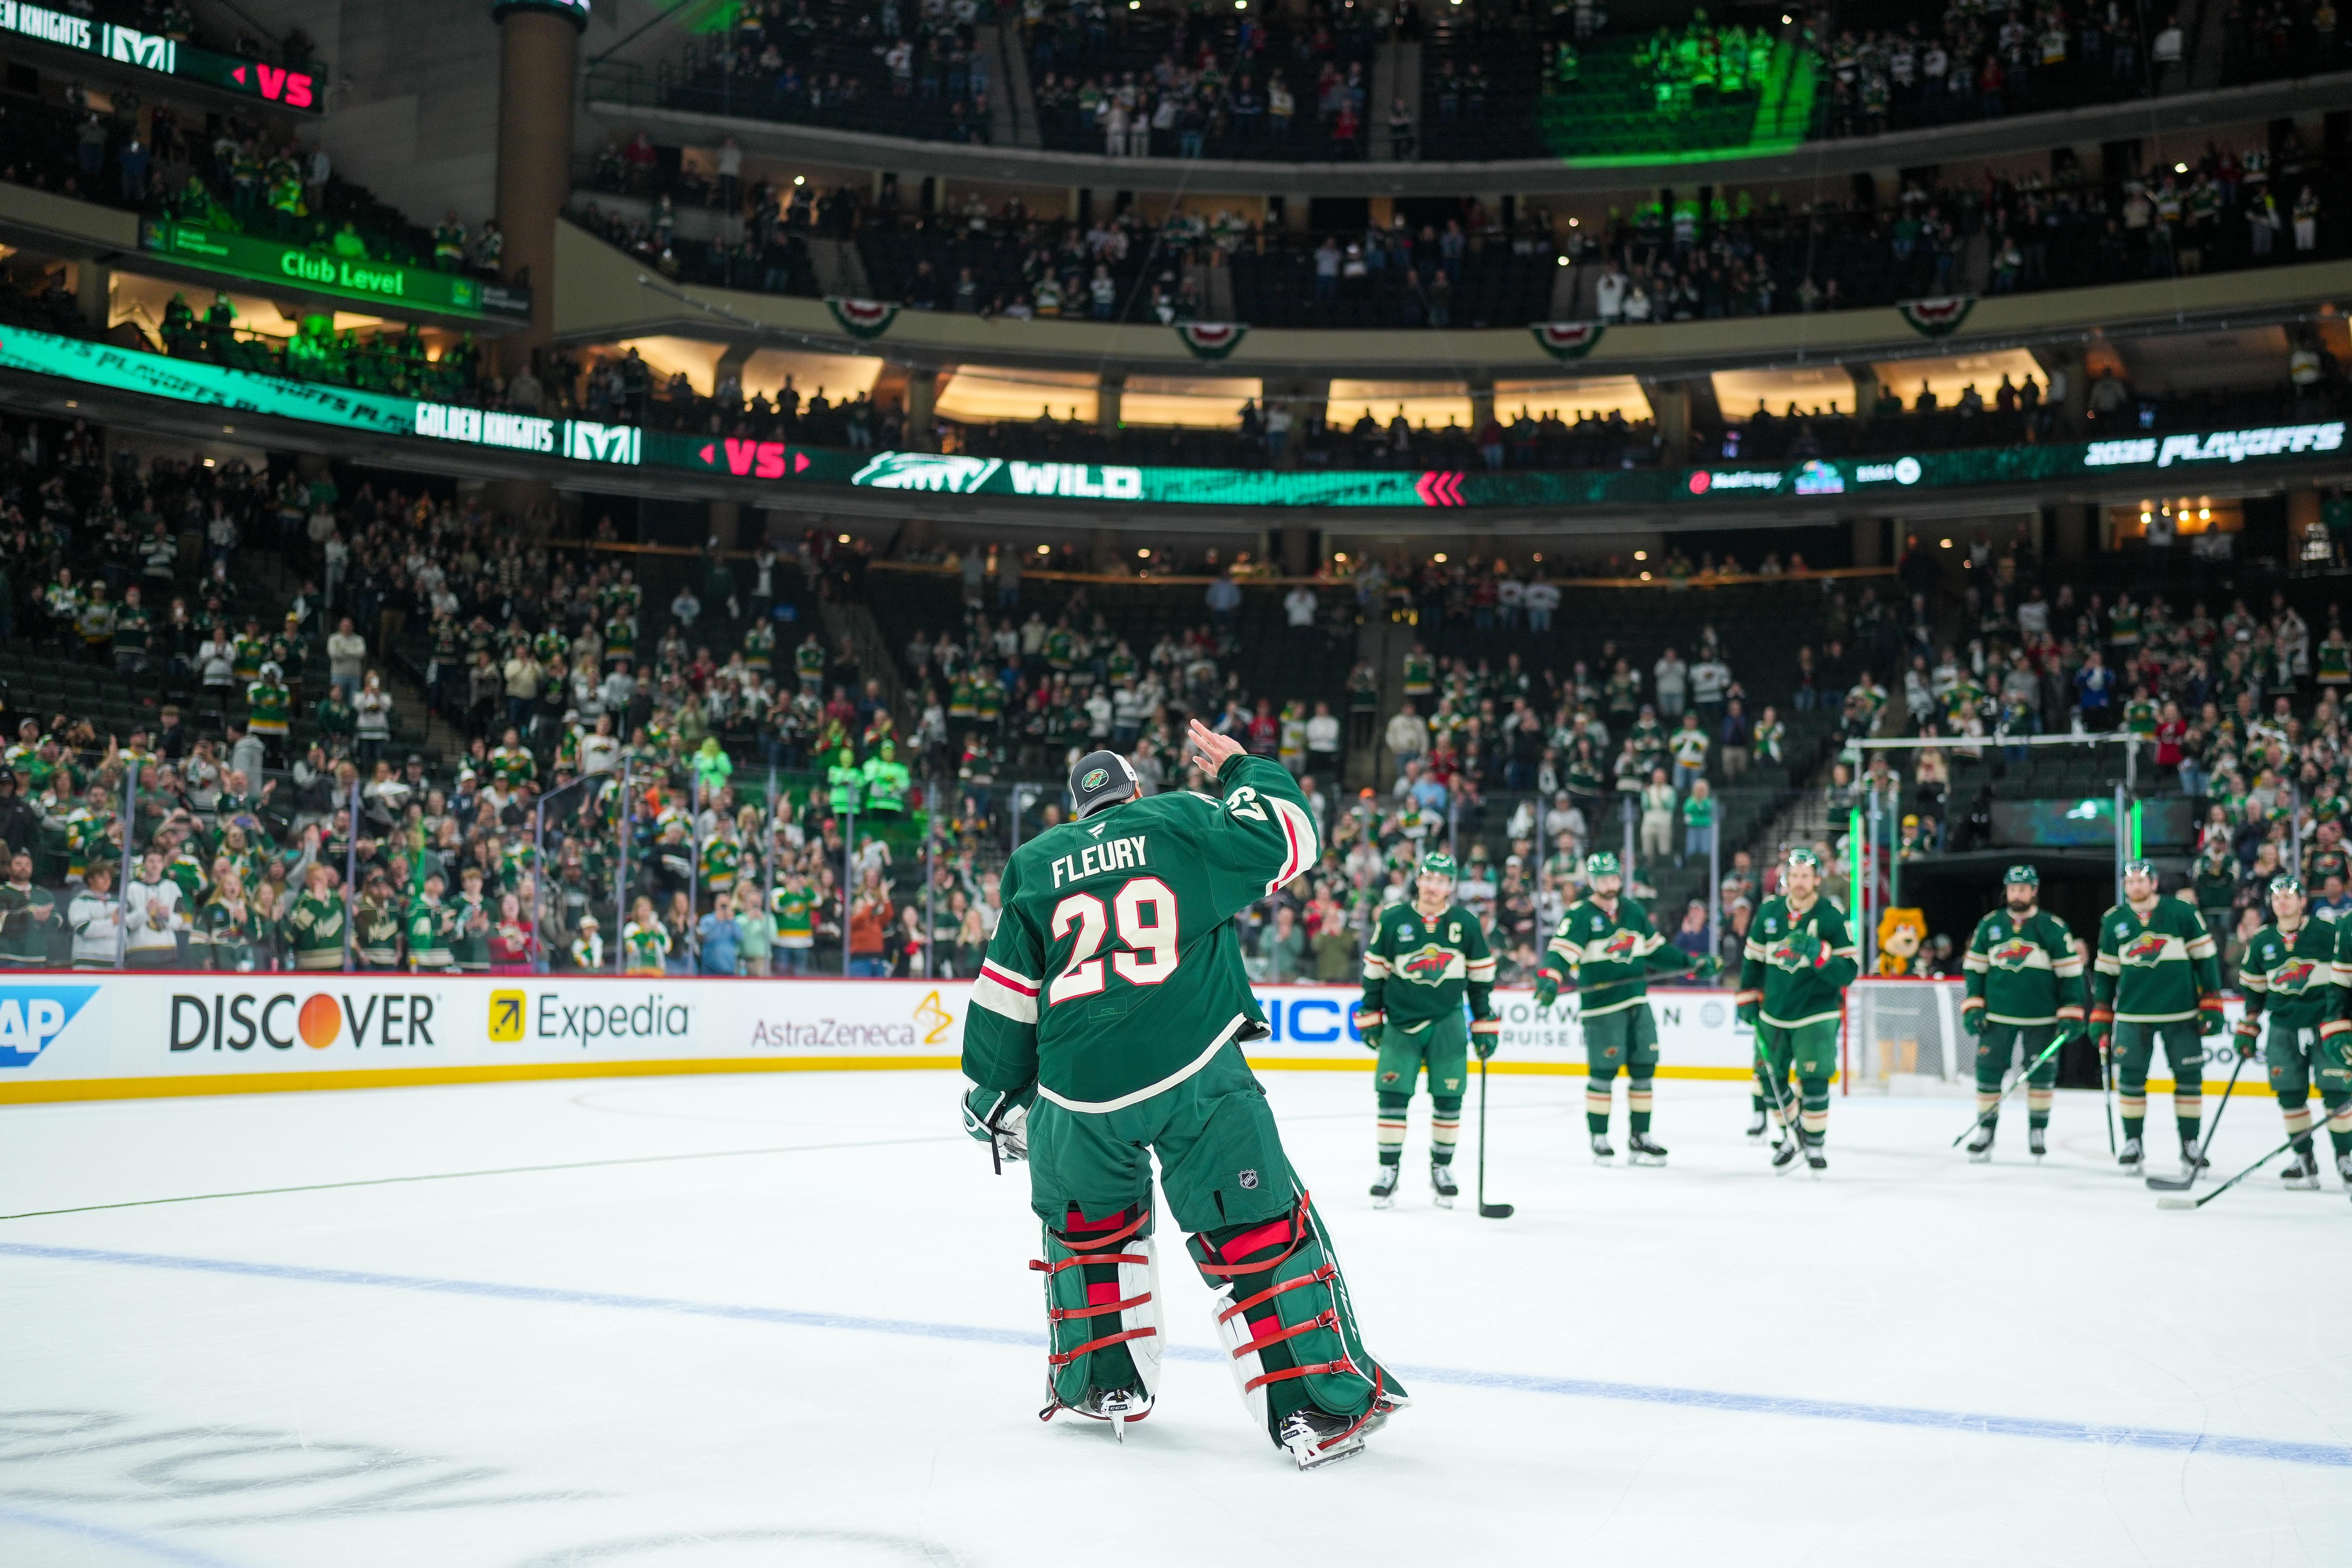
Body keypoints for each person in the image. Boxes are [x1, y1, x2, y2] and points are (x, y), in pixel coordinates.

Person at [960, 726, 1406, 1468]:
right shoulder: (1177, 817)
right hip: (1191, 1067)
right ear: (1133, 792)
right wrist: (1238, 766)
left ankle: (1101, 1382)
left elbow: (1008, 994)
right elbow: (1292, 835)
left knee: (1089, 1235)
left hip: (1077, 1095)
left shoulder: (1034, 865)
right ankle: (1312, 1409)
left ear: (1077, 811)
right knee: (1258, 1235)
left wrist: (998, 1096)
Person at [1533, 851, 1706, 1164]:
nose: (1610, 884)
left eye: (1613, 878)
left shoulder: (1633, 911)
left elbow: (1656, 951)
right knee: (1603, 1073)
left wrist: (1691, 964)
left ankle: (1640, 1137)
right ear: (1591, 881)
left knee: (1644, 1068)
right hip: (1601, 1008)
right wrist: (1550, 978)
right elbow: (1560, 954)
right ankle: (1599, 1136)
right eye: (1602, 879)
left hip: (1637, 1000)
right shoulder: (1579, 915)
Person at [1356, 851, 1499, 1207]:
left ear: (1450, 885)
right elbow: (1374, 972)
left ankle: (1443, 1168)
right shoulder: (1392, 920)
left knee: (1449, 1099)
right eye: (1429, 877)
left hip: (1448, 1022)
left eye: (1442, 880)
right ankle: (1388, 1170)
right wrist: (1371, 1014)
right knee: (1392, 1097)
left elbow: (1481, 978)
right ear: (1418, 879)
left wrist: (1483, 1022)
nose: (1434, 886)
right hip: (1401, 1023)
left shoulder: (1466, 923)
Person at [2089, 859, 2225, 1178]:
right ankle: (2133, 1142)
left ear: (2154, 883)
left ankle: (2190, 1143)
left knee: (2189, 1078)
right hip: (2133, 1015)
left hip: (2182, 1012)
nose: (2135, 886)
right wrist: (2101, 1012)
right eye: (2130, 881)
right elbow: (2106, 973)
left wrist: (2212, 999)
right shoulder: (2114, 921)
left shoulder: (2181, 912)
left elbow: (2206, 959)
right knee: (2131, 1080)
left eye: (2141, 880)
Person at [1737, 847, 1859, 1171]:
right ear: (1786, 879)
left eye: (1806, 876)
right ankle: (1794, 1135)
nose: (1800, 882)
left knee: (1815, 1077)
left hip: (1816, 1013)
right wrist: (1747, 996)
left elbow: (1848, 972)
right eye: (1794, 876)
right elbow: (1753, 960)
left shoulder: (1831, 916)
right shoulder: (1769, 912)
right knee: (1768, 1077)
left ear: (1817, 879)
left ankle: (1814, 1145)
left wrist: (1819, 953)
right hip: (1774, 1012)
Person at [1958, 865, 2085, 1161]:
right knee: (1988, 1075)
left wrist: (2071, 1011)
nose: (2017, 894)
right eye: (2013, 889)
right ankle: (1986, 1132)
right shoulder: (1990, 925)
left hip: (2041, 1018)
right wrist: (1974, 1004)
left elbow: (2070, 975)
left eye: (2023, 889)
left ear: (2034, 891)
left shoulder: (2052, 927)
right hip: (1997, 1018)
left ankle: (2037, 1131)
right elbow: (1975, 969)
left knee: (2041, 1077)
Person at [2239, 875, 2348, 1190]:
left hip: (2326, 1024)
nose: (2282, 901)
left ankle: (2346, 1157)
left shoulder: (2329, 932)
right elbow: (2254, 990)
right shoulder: (2262, 941)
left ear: (2303, 901)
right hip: (2283, 1026)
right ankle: (2304, 1159)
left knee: (2337, 1091)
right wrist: (2249, 1024)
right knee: (2289, 1094)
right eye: (2277, 898)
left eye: (2289, 896)